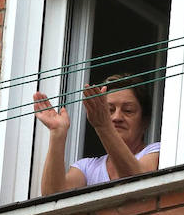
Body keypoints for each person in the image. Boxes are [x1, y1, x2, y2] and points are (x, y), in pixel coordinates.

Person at [32, 74, 161, 196]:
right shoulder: (87, 168)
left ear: (145, 120)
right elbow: (52, 196)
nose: (116, 117)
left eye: (128, 110)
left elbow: (139, 184)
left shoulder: (158, 151)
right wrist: (57, 133)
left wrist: (104, 125)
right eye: (109, 110)